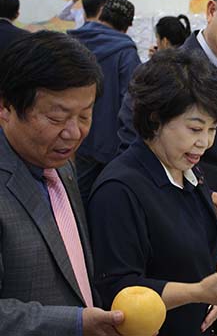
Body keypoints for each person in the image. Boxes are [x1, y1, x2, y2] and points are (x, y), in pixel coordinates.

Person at [87, 49, 217, 336]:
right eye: (195, 129)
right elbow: (118, 291)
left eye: (213, 129)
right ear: (155, 119)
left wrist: (214, 291)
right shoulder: (119, 190)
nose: (204, 142)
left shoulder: (186, 169)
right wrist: (198, 292)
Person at [0, 30, 126, 335]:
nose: (73, 133)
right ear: (6, 107)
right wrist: (76, 323)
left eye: (85, 116)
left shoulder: (60, 162)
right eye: (57, 118)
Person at [69, 0, 141, 205]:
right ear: (127, 26)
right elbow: (132, 100)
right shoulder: (125, 52)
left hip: (72, 132)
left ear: (101, 13)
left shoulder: (71, 41)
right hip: (108, 141)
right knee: (105, 200)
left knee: (75, 195)